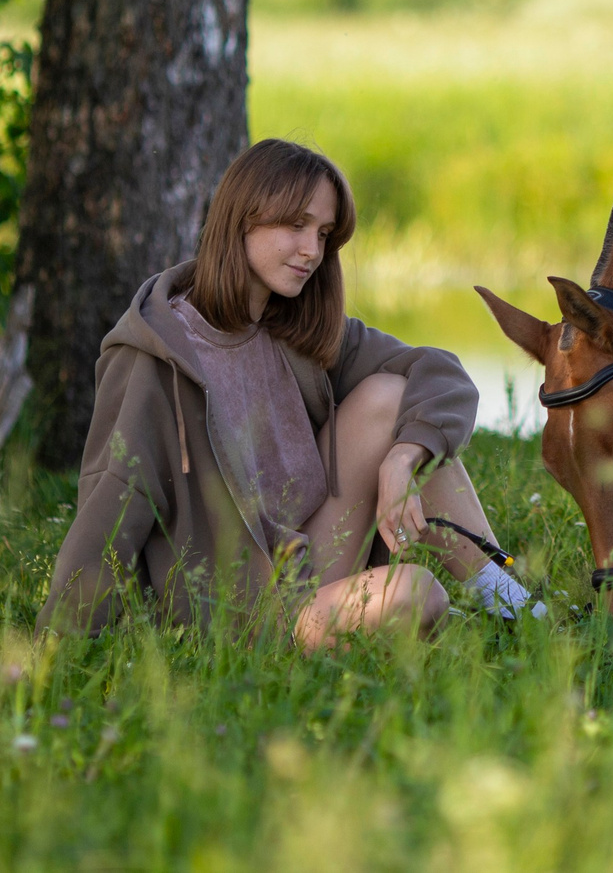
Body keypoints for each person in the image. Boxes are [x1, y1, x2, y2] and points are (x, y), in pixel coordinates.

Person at [40, 138, 532, 647]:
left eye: (322, 234)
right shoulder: (153, 356)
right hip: (241, 615)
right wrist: (56, 658)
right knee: (416, 594)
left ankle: (523, 616)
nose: (312, 252)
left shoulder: (294, 328)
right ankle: (509, 626)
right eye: (295, 225)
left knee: (397, 402)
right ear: (242, 218)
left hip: (313, 570)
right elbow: (111, 505)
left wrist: (402, 459)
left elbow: (443, 375)